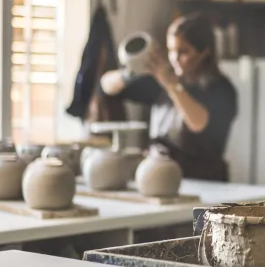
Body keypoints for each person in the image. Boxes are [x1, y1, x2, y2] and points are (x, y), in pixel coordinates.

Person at [101, 12, 238, 182]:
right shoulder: (161, 79)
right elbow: (107, 86)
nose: (174, 59)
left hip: (204, 181)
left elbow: (199, 123)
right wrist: (132, 71)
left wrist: (171, 85)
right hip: (159, 176)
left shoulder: (221, 89)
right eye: (171, 50)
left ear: (205, 52)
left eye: (183, 52)